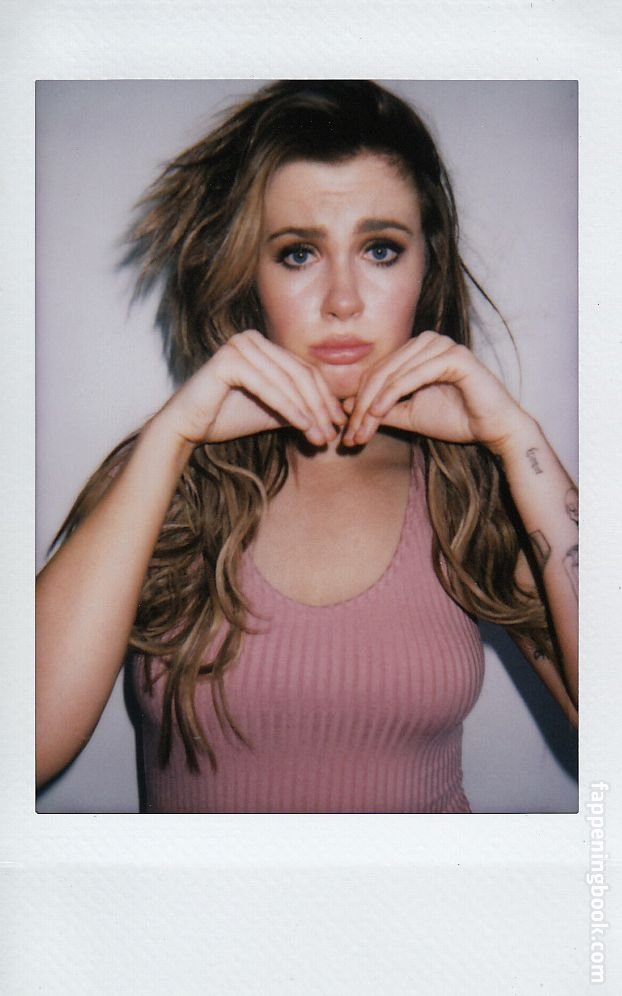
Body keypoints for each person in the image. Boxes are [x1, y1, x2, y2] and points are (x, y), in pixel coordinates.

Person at [36, 80, 578, 813]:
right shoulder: (170, 479)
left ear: (427, 268)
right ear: (246, 276)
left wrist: (520, 444)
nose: (343, 300)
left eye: (381, 249)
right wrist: (167, 438)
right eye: (298, 254)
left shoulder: (470, 488)